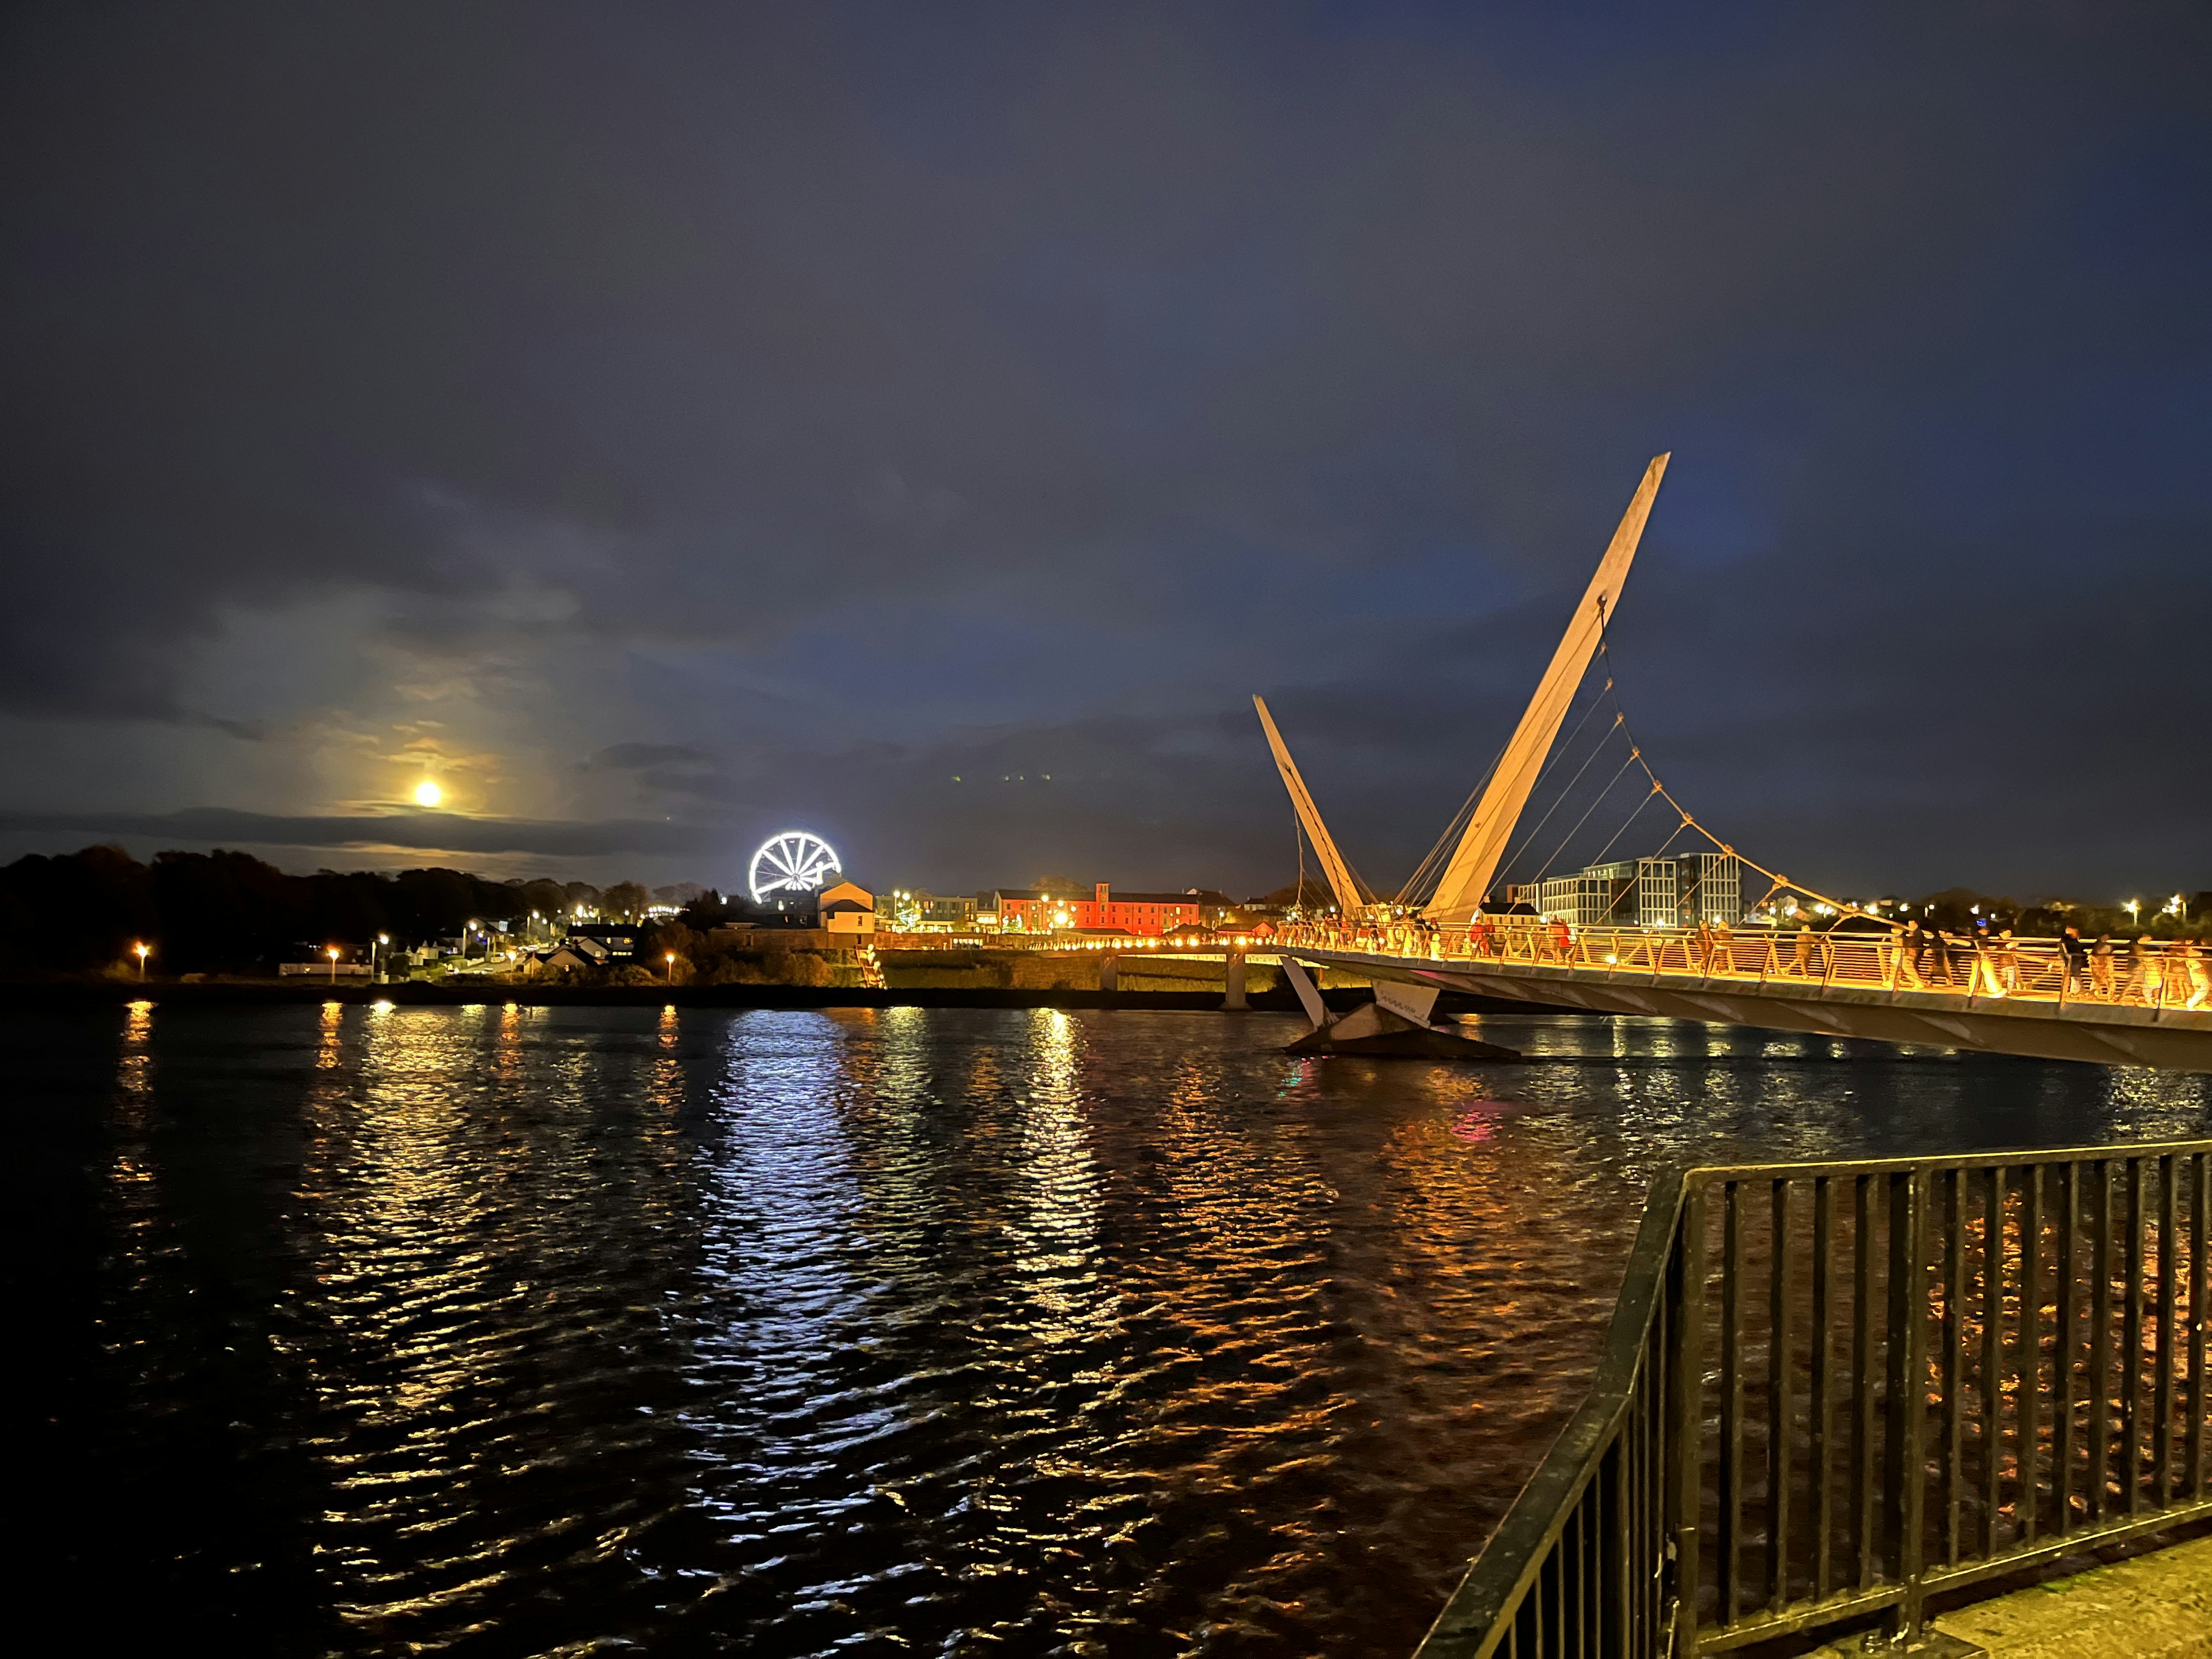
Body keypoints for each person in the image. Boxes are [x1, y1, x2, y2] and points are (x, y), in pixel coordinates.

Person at [2090, 934, 2115, 999]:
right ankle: (2094, 994)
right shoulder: (2100, 948)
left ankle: (2110, 996)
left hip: (2103, 967)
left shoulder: (2104, 947)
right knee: (2098, 980)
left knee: (2103, 980)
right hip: (2101, 967)